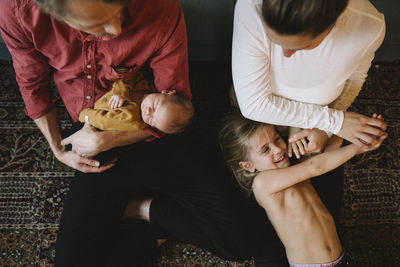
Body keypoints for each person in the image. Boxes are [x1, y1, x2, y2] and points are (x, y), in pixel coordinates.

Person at [0, 0, 288, 266]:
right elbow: (32, 85)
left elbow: (179, 105)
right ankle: (150, 224)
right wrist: (58, 149)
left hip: (159, 132)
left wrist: (110, 139)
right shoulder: (17, 10)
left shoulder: (159, 7)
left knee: (239, 245)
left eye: (119, 10)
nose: (117, 29)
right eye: (98, 24)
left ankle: (143, 209)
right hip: (96, 138)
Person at [219, 112, 386, 266]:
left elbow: (334, 143)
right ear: (248, 166)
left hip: (341, 257)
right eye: (265, 150)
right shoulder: (262, 184)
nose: (278, 149)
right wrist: (359, 147)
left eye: (277, 139)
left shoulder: (295, 163)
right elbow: (316, 166)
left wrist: (366, 134)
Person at [232, 0, 388, 156]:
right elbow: (253, 105)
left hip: (319, 114)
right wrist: (334, 122)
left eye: (302, 47)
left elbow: (354, 80)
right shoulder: (251, 5)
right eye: (274, 39)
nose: (285, 55)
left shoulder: (369, 27)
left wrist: (325, 131)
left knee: (328, 146)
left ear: (337, 18)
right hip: (263, 112)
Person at [79, 71, 194, 135]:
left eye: (151, 120)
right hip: (103, 88)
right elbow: (131, 76)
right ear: (167, 92)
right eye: (155, 106)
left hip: (93, 111)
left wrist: (86, 115)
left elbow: (104, 121)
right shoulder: (145, 86)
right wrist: (121, 93)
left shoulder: (131, 119)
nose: (148, 112)